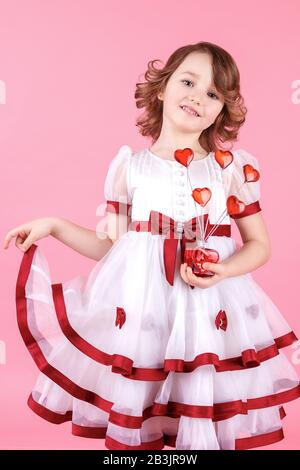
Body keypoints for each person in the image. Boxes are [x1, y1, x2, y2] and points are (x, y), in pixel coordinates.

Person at [3, 41, 300, 450]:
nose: (198, 96)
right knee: (147, 408)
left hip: (210, 314)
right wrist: (55, 225)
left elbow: (259, 245)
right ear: (161, 89)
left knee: (199, 406)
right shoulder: (131, 167)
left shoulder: (229, 170)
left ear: (222, 109)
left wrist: (224, 271)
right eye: (189, 81)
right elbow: (114, 248)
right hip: (144, 312)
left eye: (213, 93)